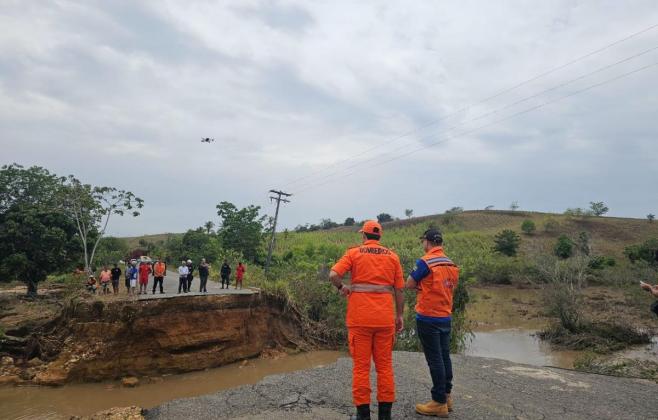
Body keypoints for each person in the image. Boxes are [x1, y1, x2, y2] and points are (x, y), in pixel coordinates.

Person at [329, 220, 404, 420]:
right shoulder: (393, 257)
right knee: (385, 367)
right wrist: (399, 315)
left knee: (361, 368)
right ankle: (385, 416)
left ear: (364, 236)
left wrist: (342, 288)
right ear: (380, 236)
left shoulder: (354, 253)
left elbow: (333, 274)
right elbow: (399, 289)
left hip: (359, 319)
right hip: (385, 320)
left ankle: (363, 416)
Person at [406, 228, 459, 418]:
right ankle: (447, 396)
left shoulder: (425, 261)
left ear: (428, 242)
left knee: (435, 359)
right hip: (445, 316)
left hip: (428, 316)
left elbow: (409, 283)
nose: (423, 245)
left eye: (423, 242)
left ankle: (438, 403)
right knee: (445, 357)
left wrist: (424, 286)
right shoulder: (450, 263)